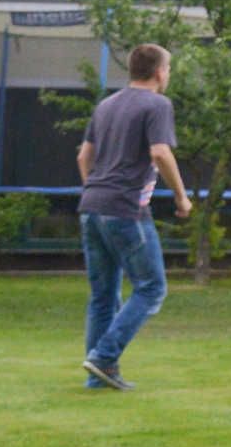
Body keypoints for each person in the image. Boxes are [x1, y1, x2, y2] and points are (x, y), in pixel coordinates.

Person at [74, 42, 192, 391]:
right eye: (168, 69)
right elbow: (160, 153)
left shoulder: (106, 105)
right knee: (152, 287)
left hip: (91, 207)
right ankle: (103, 357)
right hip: (125, 208)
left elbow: (83, 157)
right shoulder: (157, 104)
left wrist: (95, 189)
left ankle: (99, 378)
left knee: (103, 296)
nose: (168, 75)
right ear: (159, 72)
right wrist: (182, 197)